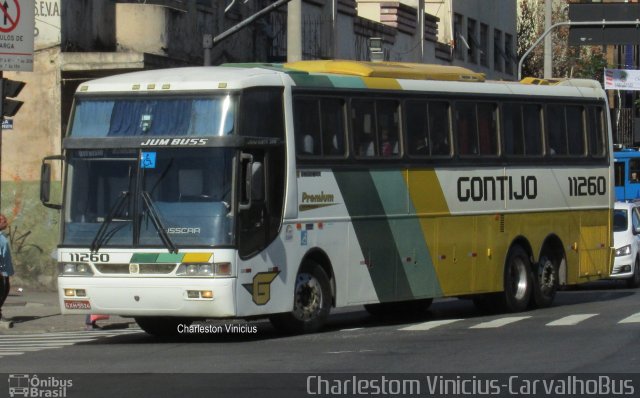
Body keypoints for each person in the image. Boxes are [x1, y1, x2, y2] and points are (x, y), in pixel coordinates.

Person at [0, 214, 14, 328]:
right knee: (2, 291)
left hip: (5, 271)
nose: (5, 222)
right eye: (2, 221)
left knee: (5, 290)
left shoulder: (2, 236)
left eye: (5, 220)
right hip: (1, 271)